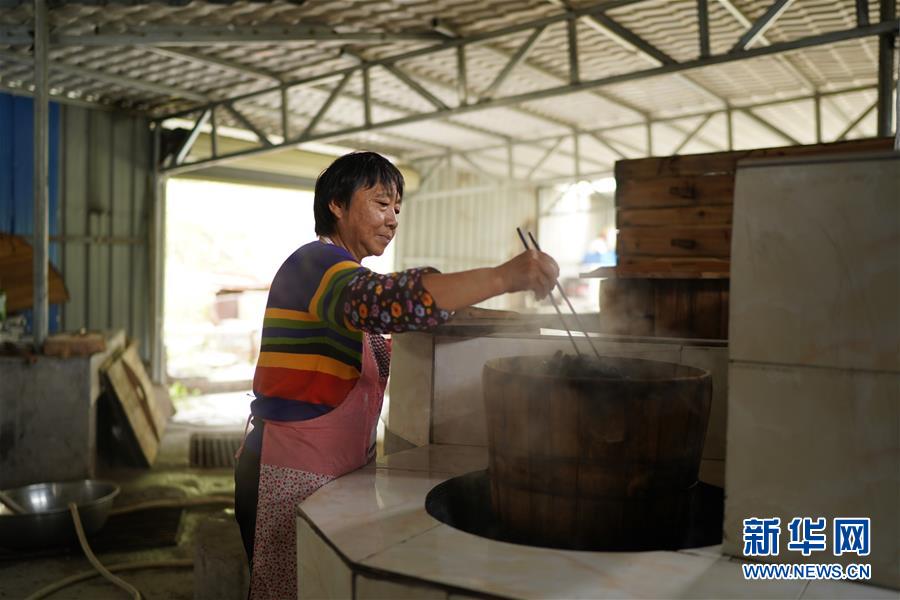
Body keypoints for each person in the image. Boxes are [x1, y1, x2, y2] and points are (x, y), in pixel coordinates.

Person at [234, 151, 558, 598]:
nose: (392, 220)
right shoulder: (314, 266)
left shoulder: (349, 278)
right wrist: (503, 277)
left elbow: (418, 310)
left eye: (398, 210)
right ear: (336, 204)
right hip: (286, 470)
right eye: (382, 204)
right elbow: (389, 301)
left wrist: (511, 321)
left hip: (336, 471)